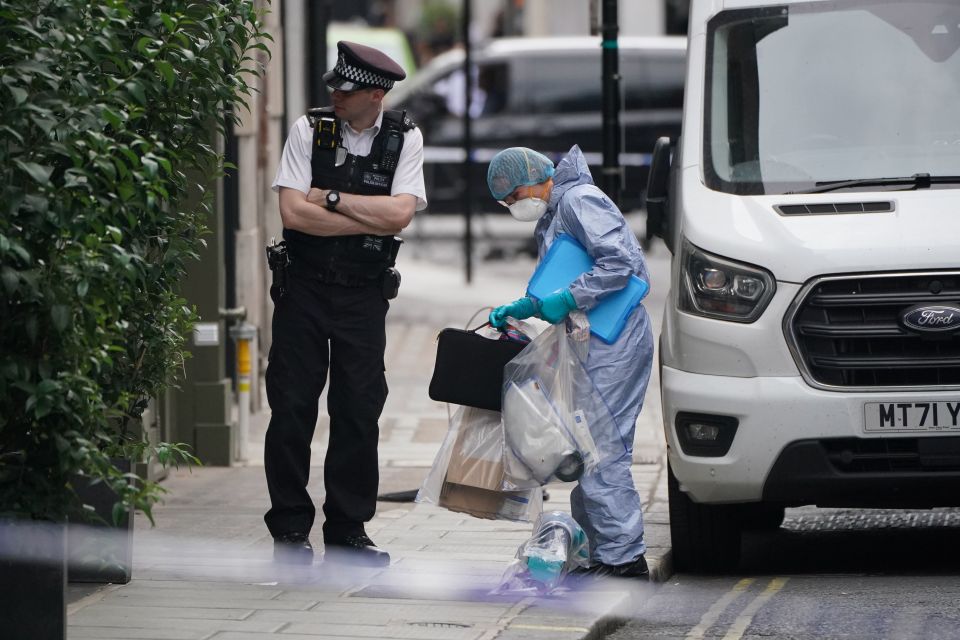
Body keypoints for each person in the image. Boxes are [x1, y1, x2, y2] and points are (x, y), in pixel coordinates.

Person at [266, 41, 427, 566]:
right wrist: (365, 215)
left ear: (376, 94)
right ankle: (290, 528)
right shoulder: (309, 130)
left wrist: (329, 198)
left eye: (347, 88)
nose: (335, 92)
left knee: (358, 410)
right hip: (304, 287)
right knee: (291, 408)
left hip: (363, 293)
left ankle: (347, 529)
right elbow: (292, 213)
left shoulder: (405, 138)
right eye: (334, 84)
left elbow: (400, 215)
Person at [486, 146, 653, 579]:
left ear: (538, 178)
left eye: (513, 195)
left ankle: (624, 559)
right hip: (593, 341)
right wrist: (530, 305)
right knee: (588, 447)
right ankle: (603, 551)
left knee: (602, 448)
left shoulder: (580, 201)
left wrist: (568, 298)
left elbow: (624, 264)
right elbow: (571, 273)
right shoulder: (556, 211)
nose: (512, 207)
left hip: (614, 341)